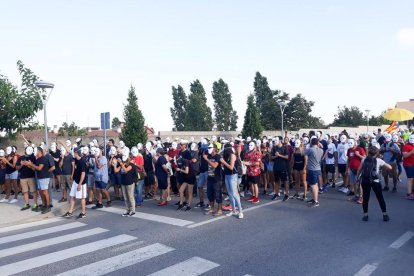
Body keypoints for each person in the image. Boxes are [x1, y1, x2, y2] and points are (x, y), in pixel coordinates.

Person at [357, 146, 391, 222]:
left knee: (365, 198)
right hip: (375, 181)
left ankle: (365, 215)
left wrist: (357, 178)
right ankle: (384, 214)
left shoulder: (364, 159)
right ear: (376, 153)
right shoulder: (379, 160)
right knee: (380, 198)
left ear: (368, 152)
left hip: (365, 180)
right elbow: (390, 167)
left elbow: (359, 170)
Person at [63, 149, 88, 219]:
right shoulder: (76, 159)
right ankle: (70, 212)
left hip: (81, 183)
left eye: (74, 153)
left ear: (76, 153)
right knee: (72, 196)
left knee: (82, 198)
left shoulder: (82, 162)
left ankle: (83, 212)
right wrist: (62, 143)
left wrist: (80, 184)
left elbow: (83, 174)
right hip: (75, 181)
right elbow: (69, 151)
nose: (73, 154)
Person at [26, 147, 52, 214]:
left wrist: (31, 164)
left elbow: (40, 168)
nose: (34, 152)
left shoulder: (43, 158)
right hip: (40, 177)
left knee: (45, 192)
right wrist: (29, 165)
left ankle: (48, 206)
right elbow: (35, 169)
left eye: (35, 151)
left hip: (44, 177)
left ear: (39, 151)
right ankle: (44, 205)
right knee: (41, 192)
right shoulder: (38, 159)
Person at [221, 144, 243, 219]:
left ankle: (240, 211)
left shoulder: (232, 155)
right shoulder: (225, 156)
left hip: (233, 175)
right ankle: (233, 210)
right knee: (230, 194)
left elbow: (231, 167)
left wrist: (223, 162)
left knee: (234, 193)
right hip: (227, 175)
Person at [15, 146, 38, 211]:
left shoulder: (33, 158)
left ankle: (35, 204)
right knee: (25, 191)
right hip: (23, 177)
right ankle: (27, 204)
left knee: (34, 191)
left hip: (31, 177)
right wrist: (22, 164)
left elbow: (35, 169)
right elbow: (16, 168)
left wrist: (29, 165)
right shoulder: (20, 158)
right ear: (25, 150)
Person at [204, 144, 223, 215]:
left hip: (217, 179)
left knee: (218, 195)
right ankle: (211, 209)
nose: (208, 149)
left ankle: (219, 210)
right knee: (210, 195)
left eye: (210, 147)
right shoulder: (209, 156)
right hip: (210, 178)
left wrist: (206, 159)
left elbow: (215, 165)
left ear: (214, 149)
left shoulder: (218, 156)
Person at [306, 138, 324, 207]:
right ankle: (314, 199)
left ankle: (316, 201)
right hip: (318, 169)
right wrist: (320, 145)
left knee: (313, 185)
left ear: (311, 143)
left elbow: (302, 153)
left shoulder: (310, 149)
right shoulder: (321, 150)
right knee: (315, 185)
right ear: (317, 143)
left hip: (312, 169)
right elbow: (321, 147)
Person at [347, 139, 366, 203]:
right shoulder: (349, 150)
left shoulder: (360, 149)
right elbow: (348, 159)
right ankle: (356, 196)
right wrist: (348, 168)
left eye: (351, 143)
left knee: (359, 183)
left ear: (354, 143)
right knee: (354, 183)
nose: (349, 144)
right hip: (352, 169)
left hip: (359, 169)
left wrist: (358, 155)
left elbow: (364, 158)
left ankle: (361, 197)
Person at [402, 135, 414, 200]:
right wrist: (412, 152)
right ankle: (409, 194)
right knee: (410, 178)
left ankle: (412, 191)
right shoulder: (406, 146)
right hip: (408, 164)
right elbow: (404, 155)